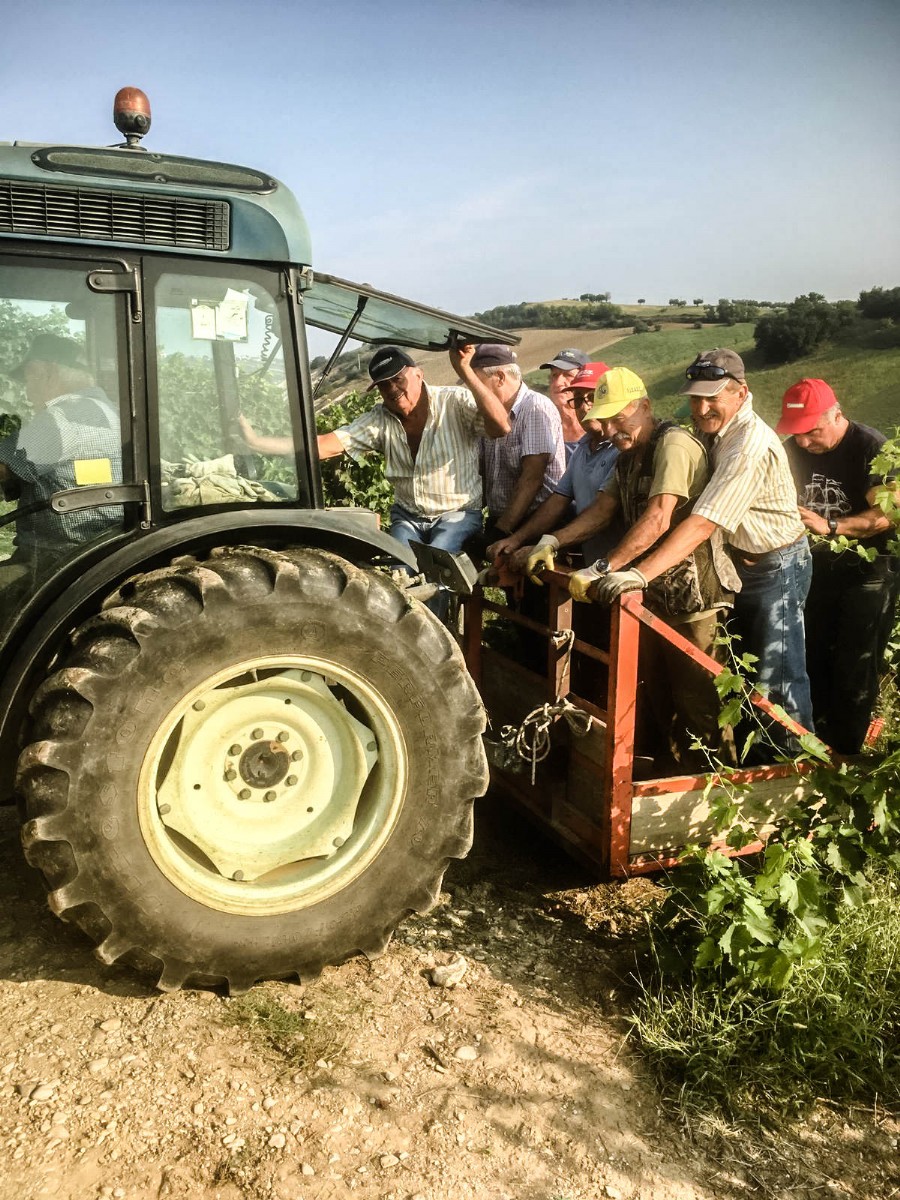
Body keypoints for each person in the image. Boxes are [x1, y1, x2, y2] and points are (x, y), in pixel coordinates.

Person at [590, 349, 813, 743]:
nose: (703, 407)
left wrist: (639, 573)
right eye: (696, 397)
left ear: (741, 393)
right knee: (737, 676)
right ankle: (748, 767)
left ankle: (790, 774)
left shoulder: (747, 445)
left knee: (776, 677)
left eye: (714, 397)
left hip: (776, 564)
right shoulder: (711, 434)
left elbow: (703, 522)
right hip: (741, 563)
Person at [241, 345, 509, 617]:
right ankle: (404, 635)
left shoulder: (455, 402)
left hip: (456, 514)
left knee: (434, 574)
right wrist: (256, 443)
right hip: (408, 516)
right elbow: (325, 446)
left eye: (398, 379)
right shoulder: (380, 419)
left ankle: (431, 645)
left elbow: (501, 426)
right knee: (398, 580)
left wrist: (464, 369)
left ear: (418, 375)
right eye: (383, 385)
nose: (392, 389)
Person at [556, 367, 735, 769]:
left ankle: (717, 794)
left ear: (645, 407)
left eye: (621, 418)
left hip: (694, 597)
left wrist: (603, 566)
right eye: (608, 419)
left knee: (699, 701)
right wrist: (553, 541)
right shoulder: (628, 456)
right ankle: (667, 796)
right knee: (660, 698)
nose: (614, 428)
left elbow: (658, 516)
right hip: (651, 596)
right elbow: (603, 509)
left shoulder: (672, 445)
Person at [777, 378, 897, 753]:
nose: (803, 443)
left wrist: (831, 526)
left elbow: (888, 514)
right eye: (795, 433)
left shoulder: (870, 447)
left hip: (868, 574)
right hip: (814, 571)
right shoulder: (791, 449)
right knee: (813, 658)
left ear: (837, 416)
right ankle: (816, 745)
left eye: (811, 432)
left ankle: (845, 756)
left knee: (854, 667)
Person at [0, 333, 122, 584]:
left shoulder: (61, 419)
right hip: (98, 547)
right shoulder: (107, 412)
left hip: (57, 559)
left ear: (44, 372)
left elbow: (2, 468)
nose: (27, 391)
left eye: (27, 380)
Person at [485, 361, 620, 570]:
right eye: (577, 400)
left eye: (593, 398)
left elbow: (602, 513)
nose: (585, 407)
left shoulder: (620, 450)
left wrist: (549, 544)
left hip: (618, 563)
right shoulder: (583, 450)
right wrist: (517, 539)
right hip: (590, 560)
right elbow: (558, 500)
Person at [452, 343, 564, 550]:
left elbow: (532, 478)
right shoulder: (488, 416)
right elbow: (483, 474)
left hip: (534, 524)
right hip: (502, 520)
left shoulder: (535, 408)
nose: (473, 391)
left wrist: (500, 531)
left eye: (476, 382)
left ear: (500, 378)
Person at [539, 347, 590, 457]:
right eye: (554, 375)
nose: (558, 383)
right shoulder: (542, 425)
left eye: (568, 375)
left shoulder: (601, 427)